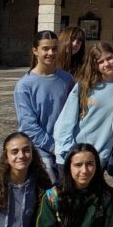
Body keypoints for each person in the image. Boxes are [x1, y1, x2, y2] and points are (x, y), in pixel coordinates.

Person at [15, 31, 75, 180]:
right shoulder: (24, 85)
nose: (51, 53)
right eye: (45, 48)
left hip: (66, 148)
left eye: (55, 49)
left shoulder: (67, 80)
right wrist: (53, 147)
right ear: (35, 51)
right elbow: (28, 125)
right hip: (41, 151)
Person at [53, 43, 113, 173]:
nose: (107, 64)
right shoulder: (84, 86)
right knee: (58, 192)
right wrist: (68, 150)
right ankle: (42, 194)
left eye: (109, 58)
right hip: (74, 154)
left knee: (90, 193)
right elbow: (65, 120)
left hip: (99, 157)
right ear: (94, 65)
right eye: (100, 61)